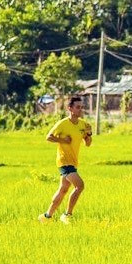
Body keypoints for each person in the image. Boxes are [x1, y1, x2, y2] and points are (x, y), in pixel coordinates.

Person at [40, 95, 92, 223]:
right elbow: (49, 137)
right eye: (78, 107)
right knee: (80, 186)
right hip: (64, 161)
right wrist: (63, 140)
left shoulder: (83, 124)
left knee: (63, 189)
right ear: (70, 108)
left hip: (73, 161)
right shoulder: (63, 123)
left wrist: (89, 134)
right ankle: (67, 215)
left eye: (82, 107)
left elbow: (88, 143)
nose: (80, 110)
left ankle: (46, 217)